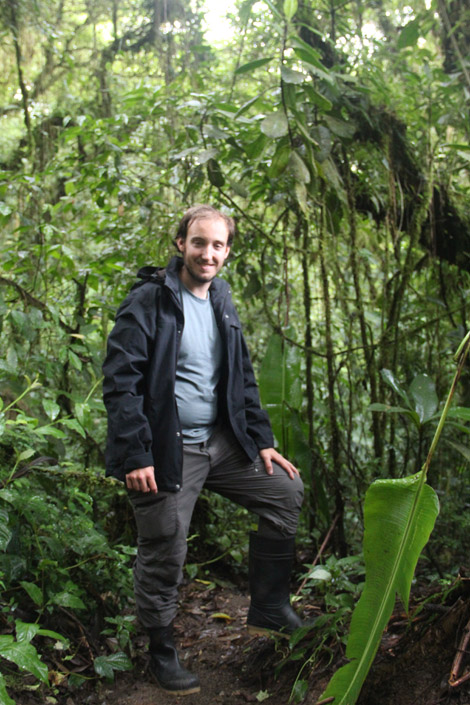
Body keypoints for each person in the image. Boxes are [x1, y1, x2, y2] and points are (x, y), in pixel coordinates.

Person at [102, 204, 305, 696]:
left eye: (217, 245)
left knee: (285, 492)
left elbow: (242, 379)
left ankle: (270, 608)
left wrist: (263, 442)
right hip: (168, 450)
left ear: (227, 251)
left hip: (222, 441)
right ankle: (162, 650)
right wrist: (135, 454)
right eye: (199, 243)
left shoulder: (222, 301)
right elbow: (120, 380)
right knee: (165, 542)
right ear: (181, 245)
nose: (207, 253)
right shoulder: (150, 299)